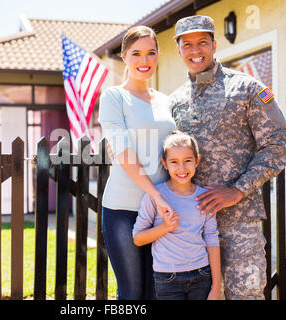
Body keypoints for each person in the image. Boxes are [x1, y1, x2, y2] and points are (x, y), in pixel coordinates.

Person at [169, 15, 286, 299]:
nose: (195, 50)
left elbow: (277, 145)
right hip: (192, 225)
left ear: (213, 44)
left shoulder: (247, 89)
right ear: (179, 50)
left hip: (240, 223)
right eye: (187, 44)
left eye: (202, 42)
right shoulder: (174, 101)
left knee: (245, 295)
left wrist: (237, 190)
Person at [98, 26, 176, 300]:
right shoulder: (114, 97)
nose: (144, 61)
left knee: (157, 291)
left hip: (160, 211)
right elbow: (123, 152)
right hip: (123, 209)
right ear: (124, 57)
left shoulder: (167, 101)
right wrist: (156, 195)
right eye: (137, 54)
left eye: (151, 53)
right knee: (131, 293)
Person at [133, 130, 221, 300]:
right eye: (174, 162)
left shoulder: (204, 197)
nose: (181, 168)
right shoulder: (156, 197)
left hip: (202, 275)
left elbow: (212, 239)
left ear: (197, 161)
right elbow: (138, 238)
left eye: (187, 160)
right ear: (164, 163)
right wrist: (164, 227)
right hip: (167, 278)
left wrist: (216, 287)